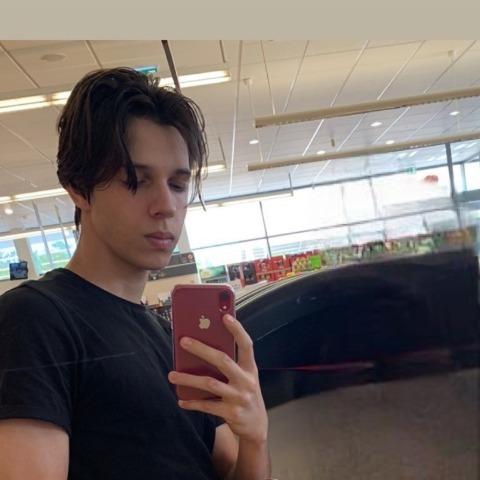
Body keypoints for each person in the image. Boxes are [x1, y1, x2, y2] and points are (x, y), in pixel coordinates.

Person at [0, 67, 271, 480]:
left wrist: (255, 437)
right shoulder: (35, 320)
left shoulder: (171, 339)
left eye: (177, 185)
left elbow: (234, 471)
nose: (166, 206)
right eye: (136, 181)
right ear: (78, 186)